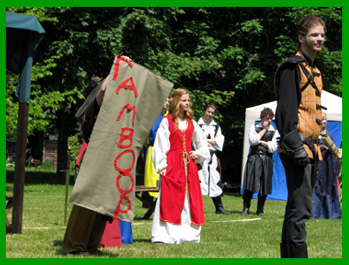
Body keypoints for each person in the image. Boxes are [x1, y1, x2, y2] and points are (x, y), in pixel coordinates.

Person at [275, 16, 336, 258]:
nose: (319, 38)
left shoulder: (315, 71)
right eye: (314, 35)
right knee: (301, 209)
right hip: (297, 147)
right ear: (301, 38)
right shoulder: (292, 67)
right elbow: (285, 112)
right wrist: (295, 146)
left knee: (296, 207)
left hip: (312, 147)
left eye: (321, 34)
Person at [63, 56, 134, 255]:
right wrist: (117, 68)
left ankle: (91, 244)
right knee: (86, 203)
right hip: (95, 156)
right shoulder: (97, 104)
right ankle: (75, 245)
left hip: (110, 158)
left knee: (102, 205)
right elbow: (103, 91)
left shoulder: (117, 110)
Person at [151, 88, 210, 244]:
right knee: (169, 199)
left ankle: (187, 235)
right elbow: (161, 144)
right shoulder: (167, 121)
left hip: (188, 166)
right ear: (177, 101)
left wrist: (199, 153)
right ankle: (163, 236)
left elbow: (201, 142)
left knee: (188, 198)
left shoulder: (191, 122)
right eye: (184, 100)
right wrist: (161, 165)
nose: (187, 103)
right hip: (172, 164)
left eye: (188, 100)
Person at [242, 108, 278, 216]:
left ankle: (260, 209)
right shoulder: (255, 126)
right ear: (262, 118)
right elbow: (252, 141)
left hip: (267, 159)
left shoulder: (275, 131)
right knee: (250, 183)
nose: (269, 121)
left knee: (264, 185)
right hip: (254, 158)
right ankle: (246, 208)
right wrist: (263, 131)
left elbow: (273, 147)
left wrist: (260, 141)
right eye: (267, 118)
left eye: (271, 118)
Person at [197, 103, 230, 215]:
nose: (210, 114)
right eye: (208, 112)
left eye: (212, 113)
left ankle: (219, 208)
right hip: (200, 157)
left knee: (214, 181)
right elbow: (196, 141)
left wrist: (206, 141)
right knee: (199, 181)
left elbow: (219, 142)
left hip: (212, 158)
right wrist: (212, 141)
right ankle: (196, 208)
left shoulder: (216, 127)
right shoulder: (197, 125)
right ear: (204, 111)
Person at [311, 112, 342, 219]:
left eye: (325, 120)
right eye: (322, 119)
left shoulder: (328, 134)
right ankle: (317, 213)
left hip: (328, 164)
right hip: (318, 164)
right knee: (318, 185)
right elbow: (312, 149)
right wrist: (323, 147)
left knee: (328, 185)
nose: (324, 122)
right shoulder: (314, 134)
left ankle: (329, 212)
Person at [143, 98, 170, 202]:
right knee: (151, 175)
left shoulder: (167, 116)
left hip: (164, 149)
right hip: (153, 148)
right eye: (164, 100)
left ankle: (159, 199)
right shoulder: (153, 116)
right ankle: (148, 199)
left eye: (168, 101)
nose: (166, 103)